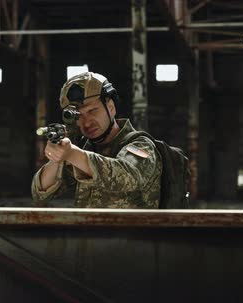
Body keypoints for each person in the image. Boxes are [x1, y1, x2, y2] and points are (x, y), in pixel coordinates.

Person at [31, 72, 162, 208]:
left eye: (93, 111)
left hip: (132, 229)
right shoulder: (84, 150)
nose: (87, 123)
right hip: (89, 227)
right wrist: (56, 157)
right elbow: (40, 193)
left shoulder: (140, 145)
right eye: (79, 116)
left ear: (111, 108)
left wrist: (72, 154)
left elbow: (127, 176)